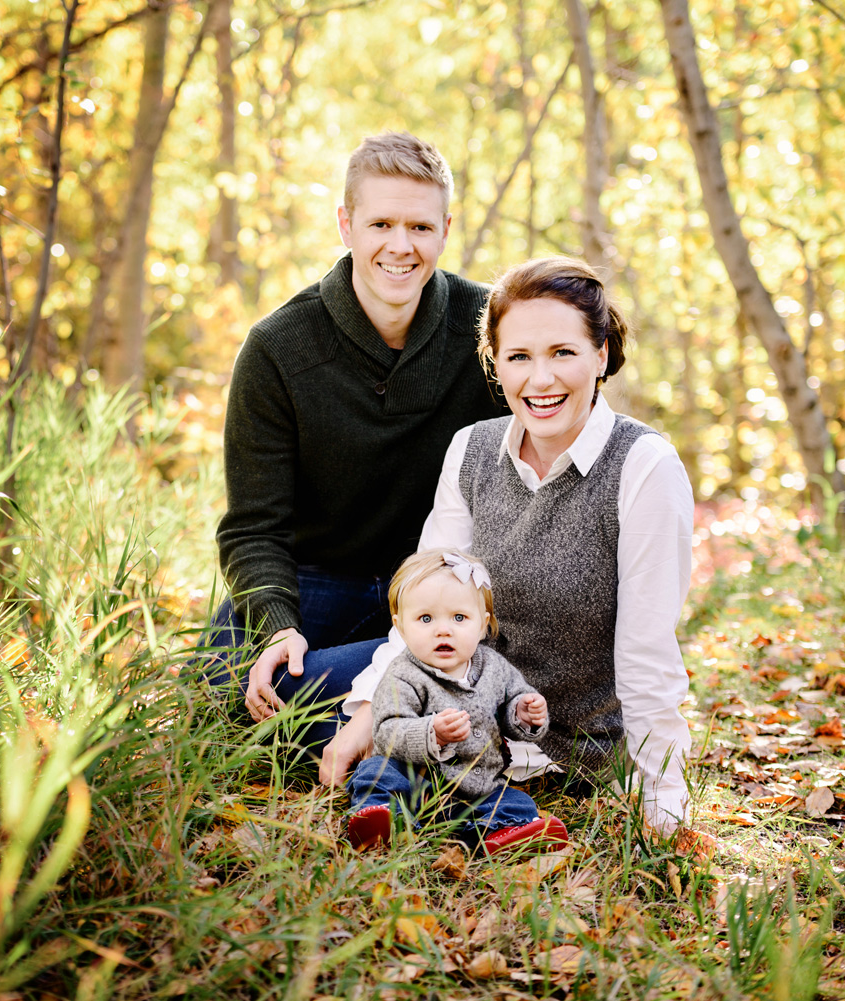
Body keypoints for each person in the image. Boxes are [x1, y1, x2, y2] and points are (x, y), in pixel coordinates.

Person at [322, 257, 695, 835]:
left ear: (601, 354)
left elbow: (648, 652)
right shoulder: (472, 449)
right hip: (454, 704)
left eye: (562, 353)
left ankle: (482, 814)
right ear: (496, 365)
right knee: (255, 683)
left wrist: (661, 801)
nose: (539, 380)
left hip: (564, 741)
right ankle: (395, 794)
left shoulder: (642, 464)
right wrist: (369, 715)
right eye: (518, 357)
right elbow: (429, 597)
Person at [207, 132, 509, 748]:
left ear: (446, 229)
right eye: (381, 224)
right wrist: (277, 628)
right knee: (224, 686)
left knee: (494, 650)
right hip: (323, 579)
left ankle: (413, 710)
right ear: (346, 225)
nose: (401, 247)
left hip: (444, 589)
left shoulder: (490, 329)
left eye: (421, 228)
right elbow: (253, 528)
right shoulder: (277, 348)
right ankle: (433, 715)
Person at [345, 548, 570, 855]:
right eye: (425, 618)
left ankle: (489, 836)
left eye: (459, 617)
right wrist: (431, 733)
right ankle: (386, 820)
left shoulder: (495, 667)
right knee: (375, 773)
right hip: (417, 783)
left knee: (516, 802)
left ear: (482, 625)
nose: (443, 629)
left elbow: (512, 706)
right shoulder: (402, 675)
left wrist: (524, 714)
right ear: (400, 626)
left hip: (477, 787)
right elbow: (386, 731)